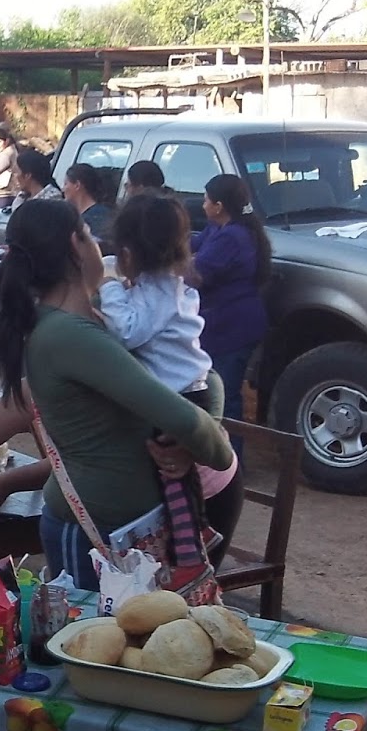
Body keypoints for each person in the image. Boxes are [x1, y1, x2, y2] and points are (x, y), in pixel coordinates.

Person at [0, 199, 231, 591]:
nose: (102, 246)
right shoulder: (72, 335)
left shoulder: (89, 320)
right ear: (76, 244)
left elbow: (198, 376)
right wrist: (217, 450)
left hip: (127, 516)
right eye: (89, 234)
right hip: (103, 525)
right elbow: (184, 415)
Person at [98, 194, 242, 566]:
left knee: (172, 470)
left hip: (183, 397)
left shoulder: (160, 291)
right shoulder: (160, 287)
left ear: (127, 252)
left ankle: (190, 541)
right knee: (170, 471)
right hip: (186, 393)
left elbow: (127, 332)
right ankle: (188, 538)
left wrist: (108, 285)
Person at [191, 175, 271, 441]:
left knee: (225, 398)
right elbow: (192, 245)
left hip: (233, 327)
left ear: (219, 206)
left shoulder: (232, 237)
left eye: (206, 200)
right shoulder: (219, 229)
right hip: (228, 323)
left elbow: (196, 274)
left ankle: (231, 457)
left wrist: (166, 264)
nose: (203, 205)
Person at [64, 162, 115, 256]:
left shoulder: (98, 218)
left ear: (77, 185)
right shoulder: (99, 214)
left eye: (66, 184)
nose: (63, 189)